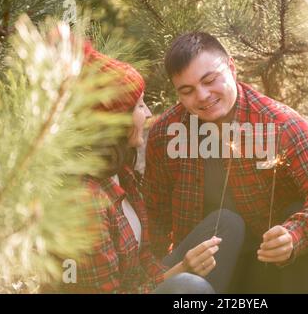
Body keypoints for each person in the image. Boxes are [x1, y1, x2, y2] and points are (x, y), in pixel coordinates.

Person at [143, 32, 308, 293]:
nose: (203, 96)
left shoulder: (279, 123)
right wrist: (154, 279)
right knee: (227, 221)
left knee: (305, 214)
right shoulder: (166, 135)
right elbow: (154, 217)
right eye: (187, 91)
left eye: (210, 80)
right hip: (220, 269)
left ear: (232, 67)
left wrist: (294, 235)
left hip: (283, 263)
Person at [63, 40, 227, 294]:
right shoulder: (86, 201)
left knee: (226, 224)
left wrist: (176, 270)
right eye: (139, 105)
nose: (149, 112)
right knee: (190, 288)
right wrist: (181, 270)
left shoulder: (121, 175)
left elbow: (144, 261)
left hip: (141, 285)